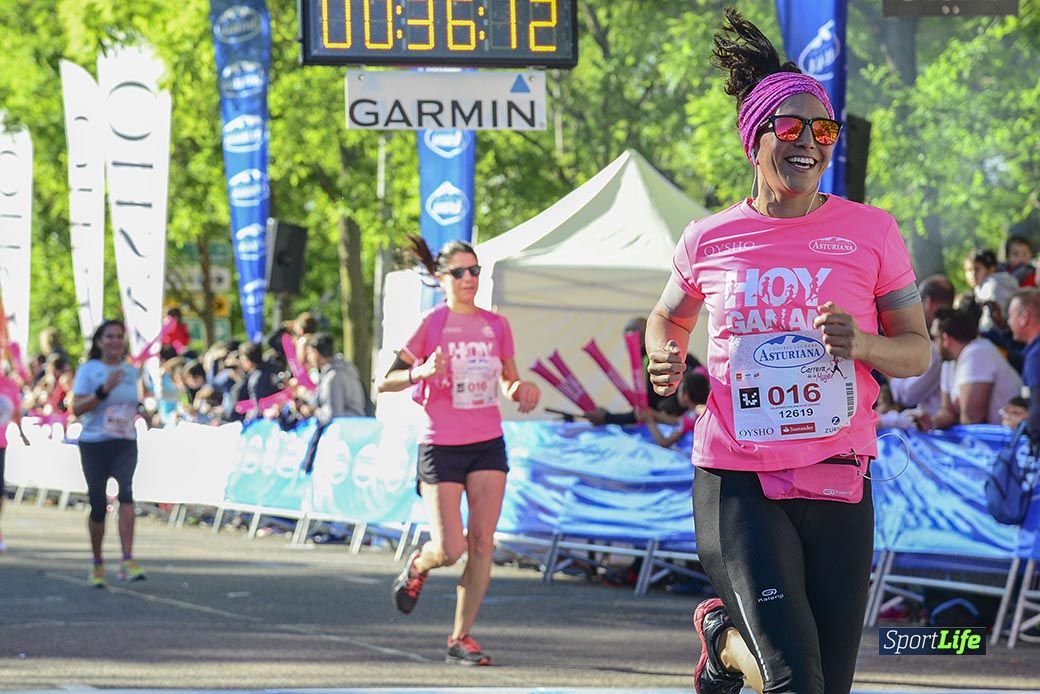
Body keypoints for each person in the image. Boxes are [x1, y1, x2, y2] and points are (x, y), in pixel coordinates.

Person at [645, 11, 931, 694]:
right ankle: (729, 644)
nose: (809, 142)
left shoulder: (872, 231)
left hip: (838, 473)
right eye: (792, 128)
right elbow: (666, 316)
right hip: (737, 478)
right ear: (756, 140)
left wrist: (862, 343)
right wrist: (667, 353)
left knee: (827, 687)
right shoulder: (708, 238)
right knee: (794, 681)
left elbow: (917, 352)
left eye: (823, 130)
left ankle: (723, 647)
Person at [377, 236, 539, 666]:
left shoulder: (496, 324)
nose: (469, 279)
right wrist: (421, 370)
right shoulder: (432, 322)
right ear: (440, 278)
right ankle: (419, 565)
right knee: (450, 548)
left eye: (475, 271)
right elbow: (384, 382)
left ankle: (461, 637)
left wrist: (520, 389)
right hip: (441, 444)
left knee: (483, 543)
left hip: (487, 442)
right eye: (459, 272)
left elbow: (508, 380)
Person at [70, 320, 147, 587]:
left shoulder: (131, 371)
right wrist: (103, 392)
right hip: (94, 443)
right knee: (98, 505)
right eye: (109, 336)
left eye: (119, 336)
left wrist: (143, 411)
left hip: (124, 441)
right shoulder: (89, 371)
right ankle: (97, 562)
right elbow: (77, 409)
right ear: (100, 341)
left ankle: (127, 559)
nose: (115, 341)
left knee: (126, 494)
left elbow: (136, 403)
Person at [584, 317, 702, 425]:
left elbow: (645, 412)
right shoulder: (680, 357)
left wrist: (607, 417)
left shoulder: (654, 364)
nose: (629, 344)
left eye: (632, 339)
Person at [925, 308, 1022, 429]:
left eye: (934, 337)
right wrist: (930, 422)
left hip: (1006, 438)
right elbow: (948, 411)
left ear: (946, 339)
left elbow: (973, 418)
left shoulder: (977, 351)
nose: (933, 344)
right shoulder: (949, 362)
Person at [887, 275, 953, 420]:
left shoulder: (938, 348)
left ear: (928, 303)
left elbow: (907, 395)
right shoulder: (947, 341)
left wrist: (887, 370)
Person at [640, 369, 710, 448]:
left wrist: (649, 421)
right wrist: (651, 413)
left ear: (685, 396)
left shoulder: (691, 418)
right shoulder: (700, 412)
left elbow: (664, 442)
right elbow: (675, 420)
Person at [0, 368, 29, 553]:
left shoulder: (10, 384)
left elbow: (16, 411)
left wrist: (21, 432)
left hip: (0, 444)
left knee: (0, 491)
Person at [307, 332, 367, 422]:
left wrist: (314, 412)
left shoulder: (333, 377)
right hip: (356, 425)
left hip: (345, 430)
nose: (308, 357)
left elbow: (333, 415)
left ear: (316, 353)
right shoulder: (346, 368)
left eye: (309, 353)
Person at [1007, 289, 1040, 441]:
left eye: (1010, 315)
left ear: (1024, 318)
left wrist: (1023, 424)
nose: (1008, 322)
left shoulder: (1035, 356)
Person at [965, 248, 1019, 333]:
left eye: (977, 269)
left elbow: (989, 325)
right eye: (968, 270)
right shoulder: (978, 289)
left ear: (991, 269)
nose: (972, 274)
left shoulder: (994, 286)